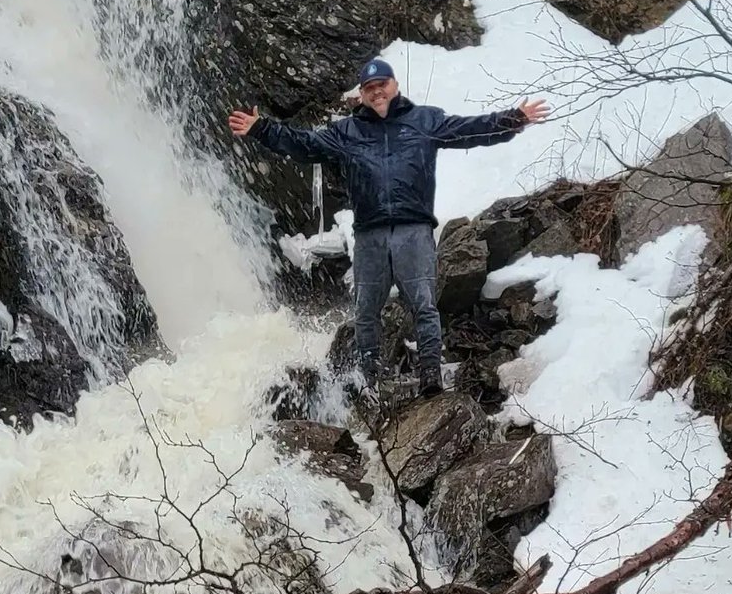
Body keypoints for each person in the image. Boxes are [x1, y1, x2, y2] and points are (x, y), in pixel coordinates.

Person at [228, 58, 550, 398]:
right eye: (369, 88)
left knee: (424, 304)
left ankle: (430, 373)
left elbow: (469, 130)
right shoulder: (346, 132)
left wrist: (514, 119)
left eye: (381, 84)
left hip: (414, 230)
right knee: (366, 310)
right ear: (362, 94)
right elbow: (304, 144)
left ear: (394, 85)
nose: (376, 91)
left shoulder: (424, 120)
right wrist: (262, 129)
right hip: (370, 234)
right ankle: (370, 379)